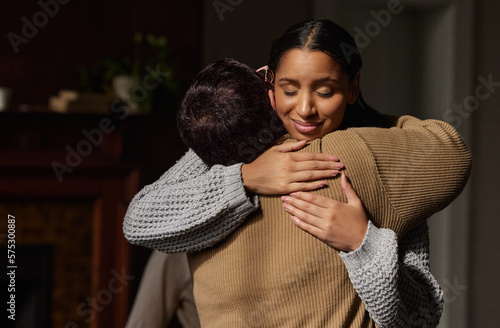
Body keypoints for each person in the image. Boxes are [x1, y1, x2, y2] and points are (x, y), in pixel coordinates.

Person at [124, 20, 471, 327]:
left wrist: (363, 244)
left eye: (325, 91)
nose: (305, 109)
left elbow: (416, 320)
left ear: (353, 87)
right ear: (269, 85)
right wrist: (244, 178)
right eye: (290, 90)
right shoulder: (231, 148)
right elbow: (139, 220)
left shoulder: (379, 159)